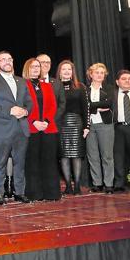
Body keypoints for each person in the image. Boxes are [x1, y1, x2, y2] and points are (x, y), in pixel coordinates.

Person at [0, 51, 32, 205]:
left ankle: (19, 192)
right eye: (3, 60)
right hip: (2, 128)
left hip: (21, 128)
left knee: (20, 163)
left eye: (9, 59)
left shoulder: (21, 81)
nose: (7, 62)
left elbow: (29, 102)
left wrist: (25, 111)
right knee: (0, 163)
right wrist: (10, 111)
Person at [22, 58, 61, 201]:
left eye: (38, 66)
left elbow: (52, 106)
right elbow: (23, 106)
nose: (36, 69)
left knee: (49, 161)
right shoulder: (22, 85)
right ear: (27, 68)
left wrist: (45, 121)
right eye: (32, 66)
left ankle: (51, 193)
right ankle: (34, 193)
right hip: (31, 128)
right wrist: (33, 122)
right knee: (32, 161)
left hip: (48, 128)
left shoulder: (47, 86)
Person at [56, 60, 89, 195]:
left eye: (69, 69)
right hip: (61, 123)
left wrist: (87, 126)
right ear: (60, 71)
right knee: (63, 155)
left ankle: (77, 185)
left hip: (76, 123)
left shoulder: (80, 86)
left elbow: (85, 107)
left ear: (72, 72)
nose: (67, 71)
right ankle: (68, 185)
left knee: (76, 155)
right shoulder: (55, 86)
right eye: (64, 69)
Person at [85, 63, 115, 194]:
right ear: (91, 74)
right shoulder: (84, 89)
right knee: (93, 156)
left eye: (102, 73)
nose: (99, 75)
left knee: (107, 156)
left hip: (106, 124)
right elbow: (84, 105)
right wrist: (97, 106)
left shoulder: (109, 88)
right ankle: (97, 183)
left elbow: (109, 103)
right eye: (97, 72)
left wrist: (92, 106)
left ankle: (108, 184)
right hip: (89, 126)